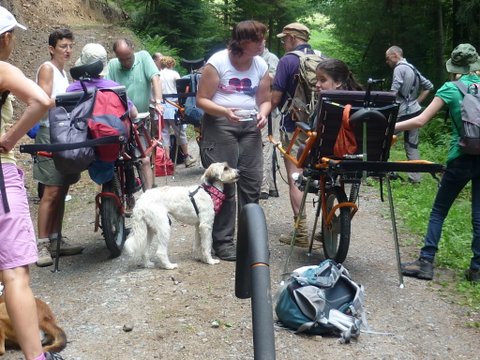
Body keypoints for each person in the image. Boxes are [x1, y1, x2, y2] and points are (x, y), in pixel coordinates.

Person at [0, 6, 64, 360]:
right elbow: (41, 100)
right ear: (5, 38)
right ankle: (35, 357)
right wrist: (9, 138)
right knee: (14, 275)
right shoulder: (2, 68)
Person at [396, 43, 480, 284]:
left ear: (454, 67)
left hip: (461, 156)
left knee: (439, 210)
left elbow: (420, 120)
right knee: (478, 214)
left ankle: (426, 262)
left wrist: (391, 127)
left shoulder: (451, 88)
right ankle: (476, 269)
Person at [196, 20, 271, 261]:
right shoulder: (218, 63)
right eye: (258, 39)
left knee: (251, 182)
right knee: (224, 184)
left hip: (250, 126)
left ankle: (251, 241)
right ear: (243, 41)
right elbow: (202, 100)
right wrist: (224, 112)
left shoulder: (260, 65)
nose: (263, 43)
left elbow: (265, 100)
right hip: (220, 124)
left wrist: (264, 113)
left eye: (263, 39)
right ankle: (224, 243)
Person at [34, 28, 84, 267]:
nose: (68, 50)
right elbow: (43, 100)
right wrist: (68, 99)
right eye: (63, 46)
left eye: (70, 46)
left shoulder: (64, 74)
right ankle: (42, 243)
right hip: (49, 132)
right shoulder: (47, 68)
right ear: (51, 48)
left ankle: (56, 240)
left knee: (62, 189)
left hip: (65, 133)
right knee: (50, 191)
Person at [271, 22, 318, 247]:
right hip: (320, 126)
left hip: (294, 125)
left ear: (291, 38)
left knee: (295, 177)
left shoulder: (287, 61)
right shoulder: (322, 58)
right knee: (324, 175)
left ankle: (301, 233)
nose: (283, 42)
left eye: (284, 39)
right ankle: (329, 225)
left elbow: (275, 98)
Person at [107, 38, 164, 190]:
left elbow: (155, 78)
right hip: (120, 121)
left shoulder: (144, 57)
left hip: (141, 118)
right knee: (122, 159)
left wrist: (158, 101)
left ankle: (150, 197)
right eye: (122, 60)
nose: (126, 63)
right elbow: (107, 91)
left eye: (128, 58)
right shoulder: (113, 65)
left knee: (144, 159)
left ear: (133, 48)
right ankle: (128, 194)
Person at [385, 46, 434, 184]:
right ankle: (415, 179)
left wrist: (386, 107)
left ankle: (379, 170)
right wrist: (416, 102)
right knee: (412, 144)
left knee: (383, 137)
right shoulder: (412, 68)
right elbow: (429, 86)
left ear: (395, 55)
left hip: (402, 113)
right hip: (415, 112)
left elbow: (393, 92)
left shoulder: (399, 68)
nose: (387, 62)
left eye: (387, 59)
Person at [157, 55, 197, 167]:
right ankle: (186, 157)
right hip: (173, 105)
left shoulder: (157, 74)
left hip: (161, 106)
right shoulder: (174, 74)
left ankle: (167, 161)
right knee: (180, 133)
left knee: (164, 135)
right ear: (171, 64)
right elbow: (181, 88)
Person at [260, 39, 280, 200]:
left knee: (265, 146)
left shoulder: (270, 58)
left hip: (269, 109)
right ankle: (271, 186)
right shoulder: (254, 58)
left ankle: (263, 187)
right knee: (266, 146)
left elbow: (275, 78)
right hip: (261, 107)